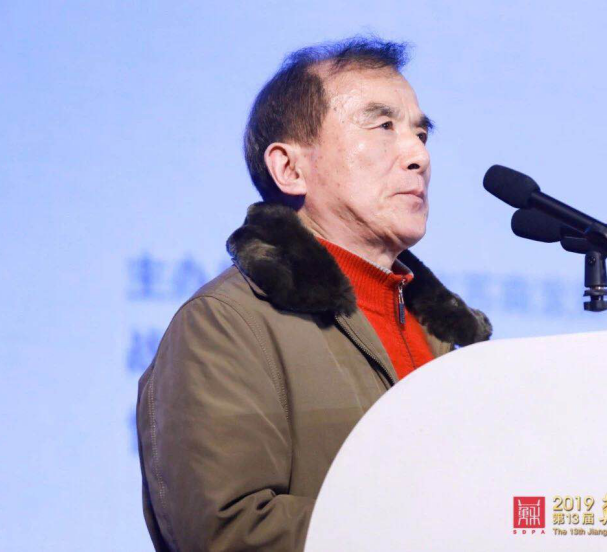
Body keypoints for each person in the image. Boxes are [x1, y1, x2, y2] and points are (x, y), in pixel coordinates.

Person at [136, 36, 492, 551]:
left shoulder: (443, 335)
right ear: (290, 168)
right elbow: (227, 531)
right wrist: (429, 530)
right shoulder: (225, 323)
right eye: (383, 126)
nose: (418, 155)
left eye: (421, 133)